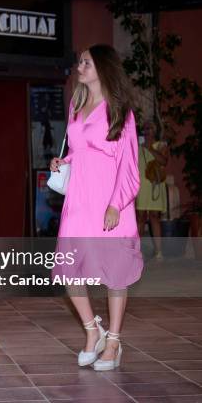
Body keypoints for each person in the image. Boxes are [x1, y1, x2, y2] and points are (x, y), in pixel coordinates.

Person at [50, 44, 143, 371]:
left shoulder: (120, 111)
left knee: (115, 274)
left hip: (110, 202)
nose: (79, 67)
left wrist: (117, 204)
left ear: (102, 67)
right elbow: (82, 151)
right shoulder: (77, 105)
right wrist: (64, 161)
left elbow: (129, 165)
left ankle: (114, 341)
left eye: (86, 62)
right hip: (79, 199)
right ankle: (93, 331)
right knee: (69, 268)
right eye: (79, 62)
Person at [136, 122, 168, 260]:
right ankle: (136, 252)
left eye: (150, 128)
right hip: (142, 185)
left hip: (155, 183)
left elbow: (163, 161)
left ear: (155, 130)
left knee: (155, 216)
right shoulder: (137, 145)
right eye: (145, 128)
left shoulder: (161, 145)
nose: (147, 130)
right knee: (140, 217)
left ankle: (158, 251)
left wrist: (149, 148)